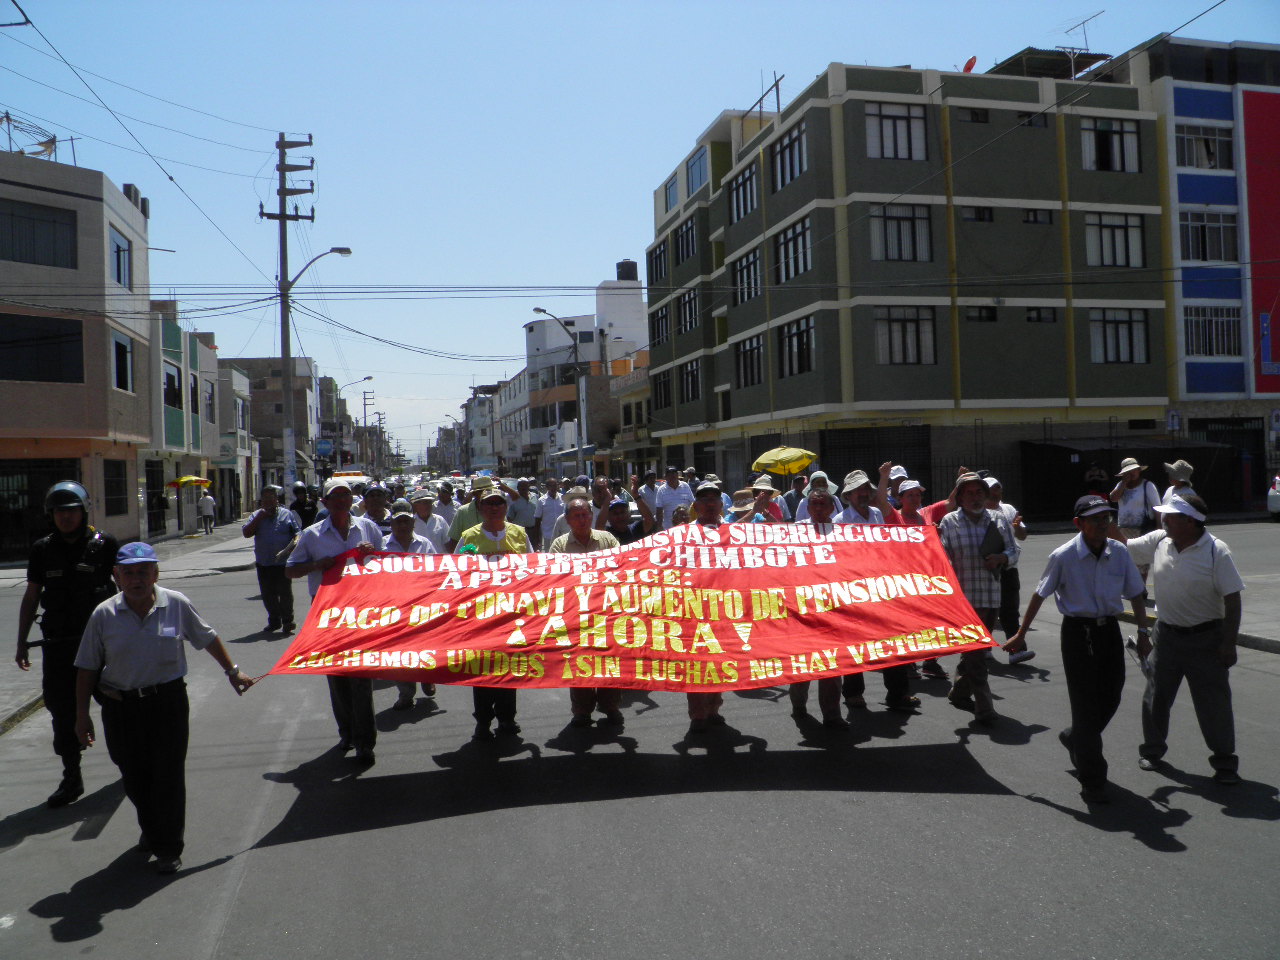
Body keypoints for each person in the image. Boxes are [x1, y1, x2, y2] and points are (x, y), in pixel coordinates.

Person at [74, 542, 254, 873]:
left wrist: (232, 671)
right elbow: (86, 667)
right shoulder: (103, 614)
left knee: (167, 776)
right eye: (128, 573)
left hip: (168, 702)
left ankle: (168, 847)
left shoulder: (176, 604)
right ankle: (154, 827)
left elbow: (207, 637)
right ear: (117, 576)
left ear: (156, 573)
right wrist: (81, 714)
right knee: (134, 776)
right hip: (121, 707)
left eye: (143, 572)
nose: (136, 579)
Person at [1006, 495, 1148, 804]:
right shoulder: (1064, 555)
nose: (1102, 524)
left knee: (1111, 695)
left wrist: (1143, 630)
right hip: (1076, 634)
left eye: (1106, 518)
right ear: (1078, 523)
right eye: (1095, 518)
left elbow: (1136, 592)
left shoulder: (1119, 552)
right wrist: (1019, 633)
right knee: (1085, 707)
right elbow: (1039, 594)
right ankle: (1093, 779)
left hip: (1108, 630)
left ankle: (1075, 738)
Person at [1124, 495, 1245, 784]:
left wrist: (1228, 644)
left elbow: (1233, 600)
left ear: (1189, 521)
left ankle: (1224, 762)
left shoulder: (1216, 551)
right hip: (1166, 635)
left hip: (1206, 638)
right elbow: (1123, 548)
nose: (1163, 520)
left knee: (1213, 703)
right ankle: (1152, 751)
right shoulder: (1159, 540)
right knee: (1156, 696)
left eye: (1170, 516)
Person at [16, 481, 119, 808]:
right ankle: (71, 777)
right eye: (59, 511)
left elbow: (126, 588)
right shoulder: (42, 549)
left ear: (83, 510)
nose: (66, 517)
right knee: (61, 712)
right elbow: (32, 595)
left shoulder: (105, 544)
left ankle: (131, 764)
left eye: (72, 510)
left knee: (118, 707)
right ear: (51, 515)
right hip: (59, 646)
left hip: (102, 643)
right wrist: (21, 643)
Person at [287, 478, 383, 765]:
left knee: (361, 678)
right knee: (337, 677)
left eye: (345, 496)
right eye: (335, 497)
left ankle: (365, 742)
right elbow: (290, 571)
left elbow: (386, 563)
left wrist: (371, 555)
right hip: (327, 614)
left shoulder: (367, 527)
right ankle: (347, 733)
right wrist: (318, 565)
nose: (341, 501)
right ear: (325, 502)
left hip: (361, 612)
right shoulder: (312, 535)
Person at [835, 469, 918, 714]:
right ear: (848, 495)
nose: (863, 494)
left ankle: (897, 693)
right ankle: (853, 694)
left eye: (865, 489)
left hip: (879, 585)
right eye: (858, 490)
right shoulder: (840, 520)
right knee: (854, 642)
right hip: (853, 586)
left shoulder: (876, 514)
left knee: (892, 639)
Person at [937, 472, 1016, 725]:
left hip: (991, 596)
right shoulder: (949, 522)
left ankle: (959, 693)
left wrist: (1002, 558)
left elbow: (1014, 550)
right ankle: (985, 709)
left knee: (975, 652)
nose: (975, 497)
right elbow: (941, 556)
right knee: (978, 656)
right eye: (969, 493)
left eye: (979, 492)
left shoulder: (998, 519)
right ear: (959, 497)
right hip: (963, 600)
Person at [457, 489, 531, 739]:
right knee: (481, 668)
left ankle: (507, 718)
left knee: (509, 667)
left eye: (499, 503)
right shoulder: (469, 536)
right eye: (489, 504)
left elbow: (533, 567)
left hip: (512, 614)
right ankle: (483, 720)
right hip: (481, 615)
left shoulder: (519, 534)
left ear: (506, 507)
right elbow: (455, 572)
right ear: (480, 508)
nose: (494, 508)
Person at [551, 496, 623, 727]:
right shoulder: (560, 545)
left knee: (608, 660)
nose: (582, 519)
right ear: (568, 520)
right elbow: (554, 577)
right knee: (579, 662)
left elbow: (623, 568)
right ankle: (581, 711)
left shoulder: (607, 539)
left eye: (585, 515)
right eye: (576, 516)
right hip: (575, 612)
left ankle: (610, 706)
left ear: (591, 516)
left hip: (606, 610)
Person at [787, 488, 848, 729]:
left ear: (833, 508)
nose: (820, 508)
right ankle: (798, 705)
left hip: (834, 606)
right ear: (808, 507)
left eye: (824, 504)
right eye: (815, 504)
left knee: (832, 663)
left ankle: (832, 715)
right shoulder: (795, 531)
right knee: (802, 661)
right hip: (803, 606)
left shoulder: (844, 533)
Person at [383, 499, 439, 711]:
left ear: (413, 524)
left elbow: (437, 570)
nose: (403, 526)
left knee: (424, 645)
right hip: (394, 607)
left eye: (406, 522)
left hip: (421, 604)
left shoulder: (424, 544)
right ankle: (405, 693)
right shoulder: (382, 546)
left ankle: (427, 676)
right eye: (398, 523)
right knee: (399, 650)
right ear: (392, 525)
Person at [684, 482, 730, 732]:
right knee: (696, 663)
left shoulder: (735, 533)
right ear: (696, 506)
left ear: (721, 504)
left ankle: (714, 708)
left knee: (720, 661)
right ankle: (697, 715)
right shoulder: (683, 533)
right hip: (694, 608)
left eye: (715, 498)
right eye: (705, 499)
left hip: (724, 607)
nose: (710, 503)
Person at [985, 477, 1034, 665]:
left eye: (998, 489)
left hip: (1009, 567)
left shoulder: (1008, 509)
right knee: (987, 611)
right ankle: (984, 649)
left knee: (1010, 610)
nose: (996, 493)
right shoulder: (979, 512)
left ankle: (1016, 650)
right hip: (988, 568)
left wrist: (1017, 528)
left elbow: (1022, 535)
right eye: (992, 489)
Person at [241, 485, 302, 632]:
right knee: (268, 594)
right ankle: (274, 621)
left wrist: (288, 550)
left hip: (282, 562)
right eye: (265, 499)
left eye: (271, 498)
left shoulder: (286, 514)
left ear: (276, 500)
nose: (268, 502)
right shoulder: (256, 515)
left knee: (285, 593)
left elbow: (298, 535)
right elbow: (246, 533)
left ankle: (288, 620)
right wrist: (260, 517)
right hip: (264, 562)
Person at [1109, 457, 1160, 540]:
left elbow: (1157, 509)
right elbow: (1113, 498)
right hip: (1123, 530)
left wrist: (1159, 530)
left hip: (1143, 529)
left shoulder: (1148, 485)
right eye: (1128, 471)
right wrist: (1124, 482)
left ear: (1139, 470)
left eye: (1134, 470)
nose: (1131, 473)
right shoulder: (1120, 485)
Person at [597, 476, 656, 544]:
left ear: (629, 514)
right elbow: (599, 528)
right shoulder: (608, 534)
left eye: (622, 512)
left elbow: (649, 520)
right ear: (609, 518)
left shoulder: (635, 529)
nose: (620, 516)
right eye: (615, 513)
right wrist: (607, 500)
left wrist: (636, 495)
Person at [499, 477, 539, 547]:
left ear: (528, 486)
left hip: (533, 531)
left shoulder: (535, 496)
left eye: (525, 485)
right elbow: (509, 518)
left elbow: (538, 515)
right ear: (518, 487)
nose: (523, 488)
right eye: (521, 486)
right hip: (519, 532)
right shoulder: (514, 499)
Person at [654, 465, 695, 530]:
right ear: (666, 477)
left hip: (686, 527)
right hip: (669, 528)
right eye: (669, 475)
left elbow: (693, 504)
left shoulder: (685, 486)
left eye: (674, 474)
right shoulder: (661, 490)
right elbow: (659, 510)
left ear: (677, 476)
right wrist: (659, 526)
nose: (672, 477)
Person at [533, 476, 566, 549]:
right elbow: (537, 520)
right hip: (548, 535)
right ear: (547, 487)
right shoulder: (541, 501)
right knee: (550, 557)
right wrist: (537, 538)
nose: (553, 488)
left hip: (562, 534)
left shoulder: (563, 498)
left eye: (555, 485)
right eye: (551, 486)